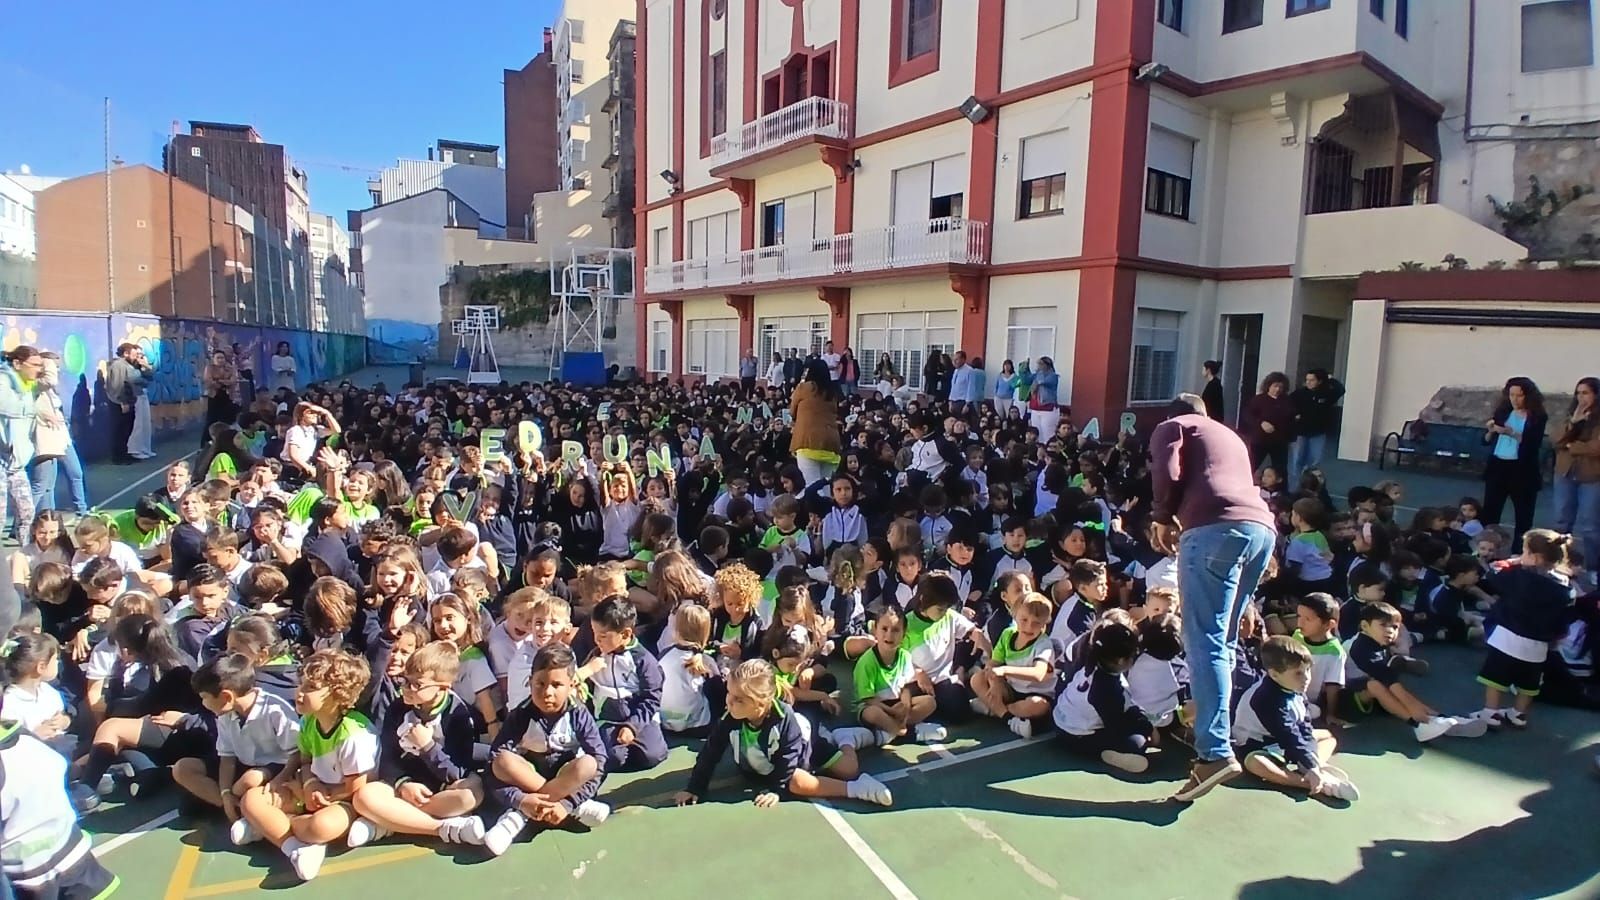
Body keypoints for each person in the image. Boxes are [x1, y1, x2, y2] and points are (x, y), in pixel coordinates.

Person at [1148, 392, 1276, 802]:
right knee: (1224, 642)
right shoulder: (1230, 436)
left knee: (1204, 641)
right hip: (1261, 532)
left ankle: (1215, 752)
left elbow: (1167, 468)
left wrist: (1161, 517)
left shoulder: (1174, 426)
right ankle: (1223, 731)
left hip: (1211, 529)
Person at [1482, 376, 1548, 548]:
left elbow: (1533, 442)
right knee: (1490, 511)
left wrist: (1510, 432)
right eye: (1512, 395)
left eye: (1519, 395)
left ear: (1528, 396)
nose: (1515, 399)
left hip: (1522, 469)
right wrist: (1490, 432)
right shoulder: (1502, 412)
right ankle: (1488, 548)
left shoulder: (1537, 416)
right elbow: (1487, 440)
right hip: (1498, 466)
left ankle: (1519, 552)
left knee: (1523, 516)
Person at [27, 352, 89, 518]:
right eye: (54, 367)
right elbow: (50, 380)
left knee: (76, 473)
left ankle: (81, 510)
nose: (57, 370)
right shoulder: (36, 385)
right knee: (42, 485)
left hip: (61, 438)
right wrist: (47, 363)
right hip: (46, 440)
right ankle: (26, 520)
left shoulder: (51, 391)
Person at [1552, 376, 1600, 569]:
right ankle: (1558, 562)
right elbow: (1555, 439)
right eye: (1578, 393)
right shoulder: (1571, 414)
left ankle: (1593, 568)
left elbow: (1596, 448)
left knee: (1590, 525)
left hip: (1591, 476)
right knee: (1561, 521)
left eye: (1586, 393)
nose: (1581, 398)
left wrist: (1570, 445)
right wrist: (1573, 422)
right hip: (1565, 473)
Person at [0, 347, 41, 537]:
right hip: (2, 458)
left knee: (27, 514)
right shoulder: (4, 380)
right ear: (17, 364)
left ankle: (28, 556)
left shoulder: (27, 386)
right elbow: (9, 407)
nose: (38, 369)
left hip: (16, 464)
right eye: (34, 365)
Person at [790, 358, 842, 486]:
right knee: (827, 489)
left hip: (808, 441)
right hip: (831, 444)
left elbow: (792, 411)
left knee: (811, 488)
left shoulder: (804, 388)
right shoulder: (832, 392)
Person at [1288, 368, 1344, 476]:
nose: (1308, 382)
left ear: (1319, 381)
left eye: (1312, 380)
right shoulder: (1299, 393)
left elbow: (1340, 390)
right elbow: (1288, 405)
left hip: (1318, 432)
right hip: (1300, 432)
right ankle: (1296, 483)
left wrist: (1331, 379)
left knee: (1315, 460)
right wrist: (1294, 414)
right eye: (1307, 380)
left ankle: (1309, 482)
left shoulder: (1326, 393)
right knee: (1298, 458)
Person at [1241, 372, 1294, 475]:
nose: (1278, 389)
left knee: (1280, 469)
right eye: (1275, 386)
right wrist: (1261, 423)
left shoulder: (1286, 401)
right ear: (1268, 386)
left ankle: (1280, 490)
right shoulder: (1259, 399)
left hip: (1279, 441)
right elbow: (1247, 415)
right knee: (1252, 465)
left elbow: (1290, 418)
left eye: (1280, 387)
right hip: (1260, 440)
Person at [104, 342, 145, 465]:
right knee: (120, 430)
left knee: (127, 429)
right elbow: (117, 385)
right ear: (125, 353)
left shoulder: (129, 365)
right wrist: (122, 402)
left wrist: (144, 366)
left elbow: (140, 380)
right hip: (120, 404)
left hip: (129, 401)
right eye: (133, 354)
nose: (135, 357)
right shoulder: (118, 366)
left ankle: (124, 453)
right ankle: (118, 457)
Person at [202, 349, 240, 450]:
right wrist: (223, 382)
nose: (220, 360)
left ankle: (227, 442)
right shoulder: (209, 368)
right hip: (214, 396)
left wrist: (219, 381)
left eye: (222, 358)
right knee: (211, 420)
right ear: (213, 359)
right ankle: (205, 444)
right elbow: (208, 381)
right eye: (218, 358)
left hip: (227, 396)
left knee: (226, 420)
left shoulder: (230, 368)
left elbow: (233, 381)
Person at [1025, 357, 1061, 438]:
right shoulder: (1037, 375)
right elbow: (1026, 380)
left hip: (1048, 408)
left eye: (1041, 364)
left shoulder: (1053, 376)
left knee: (1047, 433)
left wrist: (1039, 372)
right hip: (1036, 408)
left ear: (1047, 365)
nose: (1039, 366)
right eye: (1038, 364)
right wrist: (1025, 369)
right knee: (1037, 433)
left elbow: (1042, 381)